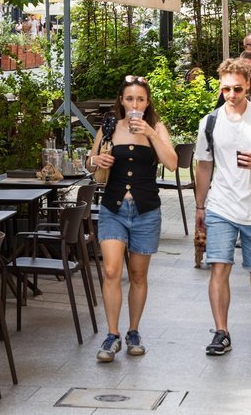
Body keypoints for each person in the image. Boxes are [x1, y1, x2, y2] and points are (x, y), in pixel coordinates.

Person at [194, 59, 251, 356]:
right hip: (221, 205)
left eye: (236, 88)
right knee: (219, 267)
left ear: (247, 85)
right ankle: (221, 332)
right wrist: (200, 206)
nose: (231, 95)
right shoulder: (210, 122)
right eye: (225, 89)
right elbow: (204, 165)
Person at [88, 75, 177, 363]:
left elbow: (173, 163)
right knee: (112, 271)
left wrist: (150, 133)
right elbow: (91, 162)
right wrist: (96, 162)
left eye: (140, 99)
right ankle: (112, 334)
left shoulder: (157, 128)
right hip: (113, 208)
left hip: (146, 210)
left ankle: (133, 331)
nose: (134, 104)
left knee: (138, 275)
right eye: (129, 99)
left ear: (147, 102)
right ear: (121, 101)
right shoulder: (109, 127)